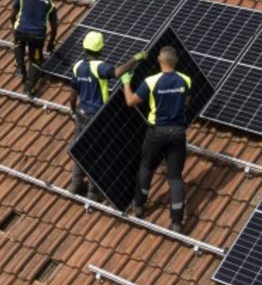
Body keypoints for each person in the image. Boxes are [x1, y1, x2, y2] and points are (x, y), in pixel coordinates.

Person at [121, 46, 192, 234]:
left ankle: (139, 207)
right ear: (175, 61)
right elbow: (186, 101)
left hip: (157, 133)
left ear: (160, 61)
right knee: (175, 177)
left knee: (146, 168)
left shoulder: (151, 82)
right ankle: (177, 222)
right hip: (178, 133)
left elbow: (130, 102)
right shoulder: (186, 80)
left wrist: (126, 82)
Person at [66, 33, 145, 197]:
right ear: (101, 48)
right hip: (97, 117)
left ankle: (75, 184)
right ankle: (93, 192)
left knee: (81, 148)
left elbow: (73, 94)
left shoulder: (78, 66)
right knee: (99, 153)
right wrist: (135, 59)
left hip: (81, 114)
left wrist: (73, 110)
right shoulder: (99, 67)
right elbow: (118, 72)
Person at [9, 0, 58, 96]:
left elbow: (12, 13)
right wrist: (51, 43)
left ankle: (20, 68)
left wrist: (13, 26)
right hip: (37, 37)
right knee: (36, 60)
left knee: (18, 44)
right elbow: (54, 26)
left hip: (20, 31)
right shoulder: (50, 4)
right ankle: (28, 88)